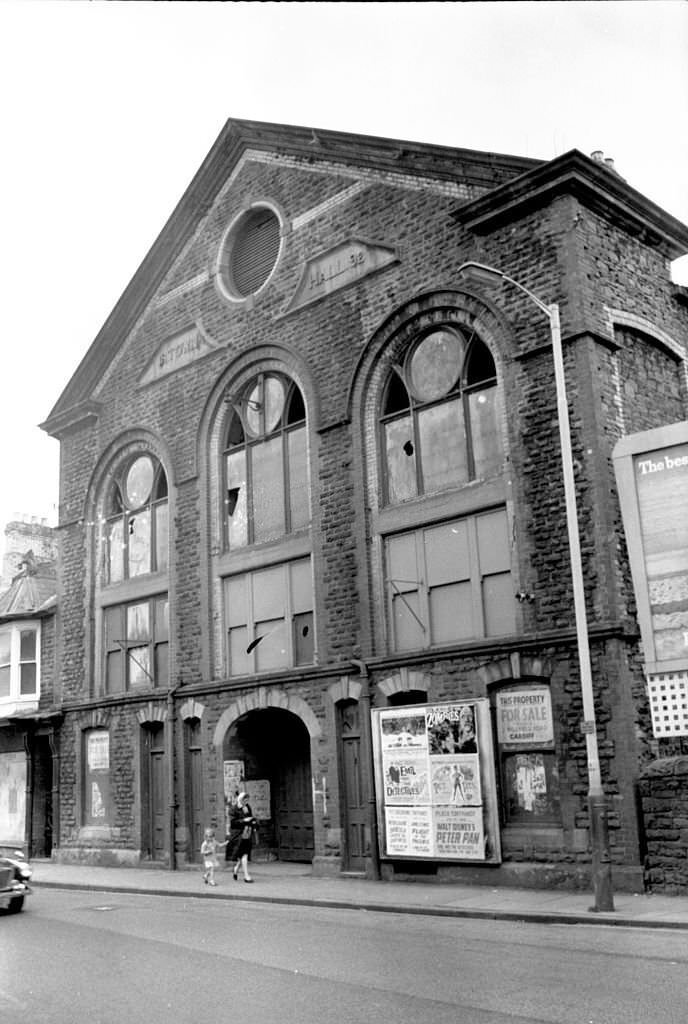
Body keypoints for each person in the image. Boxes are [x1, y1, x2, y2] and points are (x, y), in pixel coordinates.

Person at [228, 792, 257, 883]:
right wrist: (244, 820)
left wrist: (254, 825)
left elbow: (251, 817)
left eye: (247, 800)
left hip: (247, 832)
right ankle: (246, 876)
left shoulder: (247, 807)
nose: (246, 802)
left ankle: (236, 869)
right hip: (238, 834)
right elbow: (233, 823)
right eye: (245, 800)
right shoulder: (233, 809)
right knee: (244, 854)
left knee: (243, 854)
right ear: (240, 799)